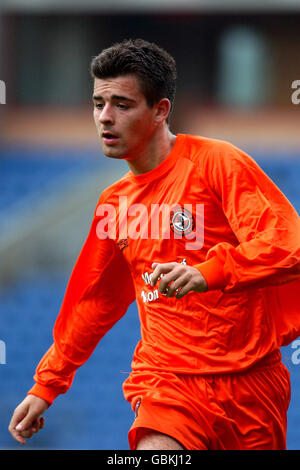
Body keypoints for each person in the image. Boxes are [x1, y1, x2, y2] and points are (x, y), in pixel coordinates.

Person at [9, 38, 300, 450]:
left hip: (251, 385)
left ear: (160, 110)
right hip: (167, 384)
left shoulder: (218, 164)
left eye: (122, 105)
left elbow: (288, 244)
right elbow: (97, 301)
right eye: (98, 104)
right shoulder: (114, 204)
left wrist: (209, 273)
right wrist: (46, 385)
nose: (105, 118)